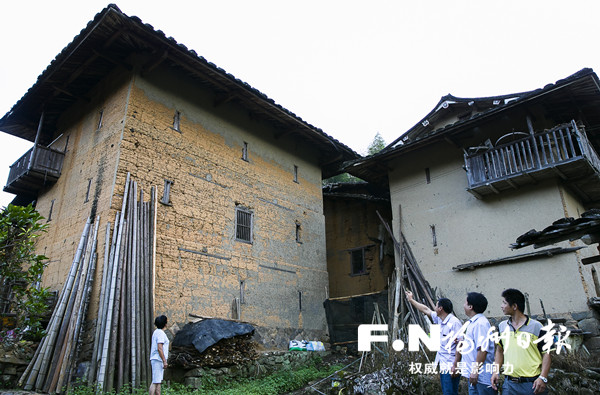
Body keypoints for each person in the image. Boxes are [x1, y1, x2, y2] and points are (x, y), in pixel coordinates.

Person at [491, 289, 551, 395]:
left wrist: (543, 377)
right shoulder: (502, 326)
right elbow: (499, 351)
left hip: (531, 384)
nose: (501, 306)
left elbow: (547, 353)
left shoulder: (537, 327)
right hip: (509, 385)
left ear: (514, 306)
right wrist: (495, 372)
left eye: (504, 303)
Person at [406, 290, 463, 395]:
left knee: (449, 392)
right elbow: (425, 309)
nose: (435, 307)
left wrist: (456, 364)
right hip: (443, 362)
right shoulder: (440, 319)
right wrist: (411, 300)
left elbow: (460, 345)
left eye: (436, 305)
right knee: (448, 391)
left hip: (451, 364)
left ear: (440, 308)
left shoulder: (454, 323)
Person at [452, 292, 497, 395]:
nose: (463, 305)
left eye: (465, 303)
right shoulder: (473, 323)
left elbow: (482, 349)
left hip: (481, 377)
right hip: (474, 377)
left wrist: (475, 371)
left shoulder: (481, 324)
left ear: (470, 306)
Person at [149, 315, 169, 395]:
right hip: (158, 359)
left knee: (158, 382)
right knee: (155, 382)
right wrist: (164, 361)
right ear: (165, 324)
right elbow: (160, 348)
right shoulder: (160, 333)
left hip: (157, 359)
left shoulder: (156, 332)